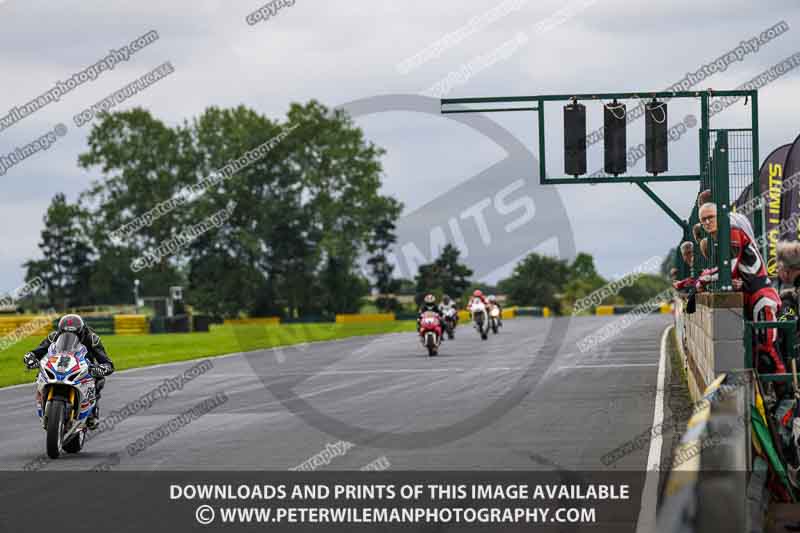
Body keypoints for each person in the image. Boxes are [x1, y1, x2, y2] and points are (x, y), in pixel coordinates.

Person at [699, 202, 784, 373]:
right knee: (756, 348)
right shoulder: (722, 236)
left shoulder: (731, 230)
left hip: (761, 295)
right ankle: (770, 394)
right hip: (751, 293)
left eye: (710, 217)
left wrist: (702, 280)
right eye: (703, 220)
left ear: (720, 216)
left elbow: (727, 270)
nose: (707, 222)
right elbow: (732, 271)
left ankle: (786, 395)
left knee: (767, 348)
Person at [23, 314, 115, 429]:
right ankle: (43, 402)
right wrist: (31, 358)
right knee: (41, 373)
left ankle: (92, 413)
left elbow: (108, 363)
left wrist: (100, 369)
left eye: (74, 334)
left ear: (81, 331)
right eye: (65, 334)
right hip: (60, 363)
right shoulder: (53, 337)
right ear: (60, 331)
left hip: (85, 367)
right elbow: (36, 352)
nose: (69, 337)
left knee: (99, 379)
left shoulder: (92, 339)